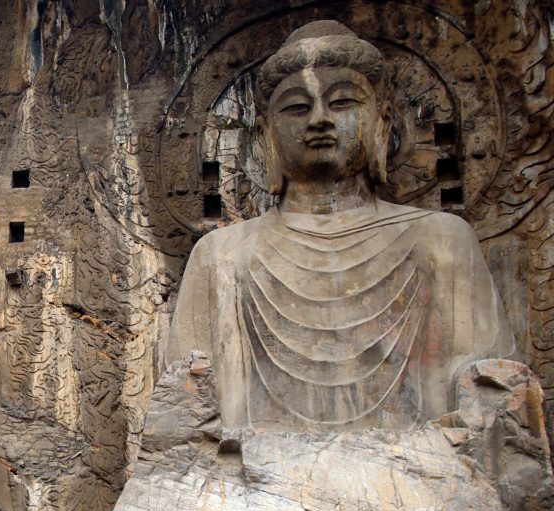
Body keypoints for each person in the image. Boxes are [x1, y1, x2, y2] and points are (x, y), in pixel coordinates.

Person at [166, 21, 515, 431]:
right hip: (257, 478)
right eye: (297, 107)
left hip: (418, 471)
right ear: (265, 135)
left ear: (381, 123)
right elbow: (183, 401)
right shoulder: (223, 253)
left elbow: (486, 387)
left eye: (343, 102)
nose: (319, 120)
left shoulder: (441, 238)